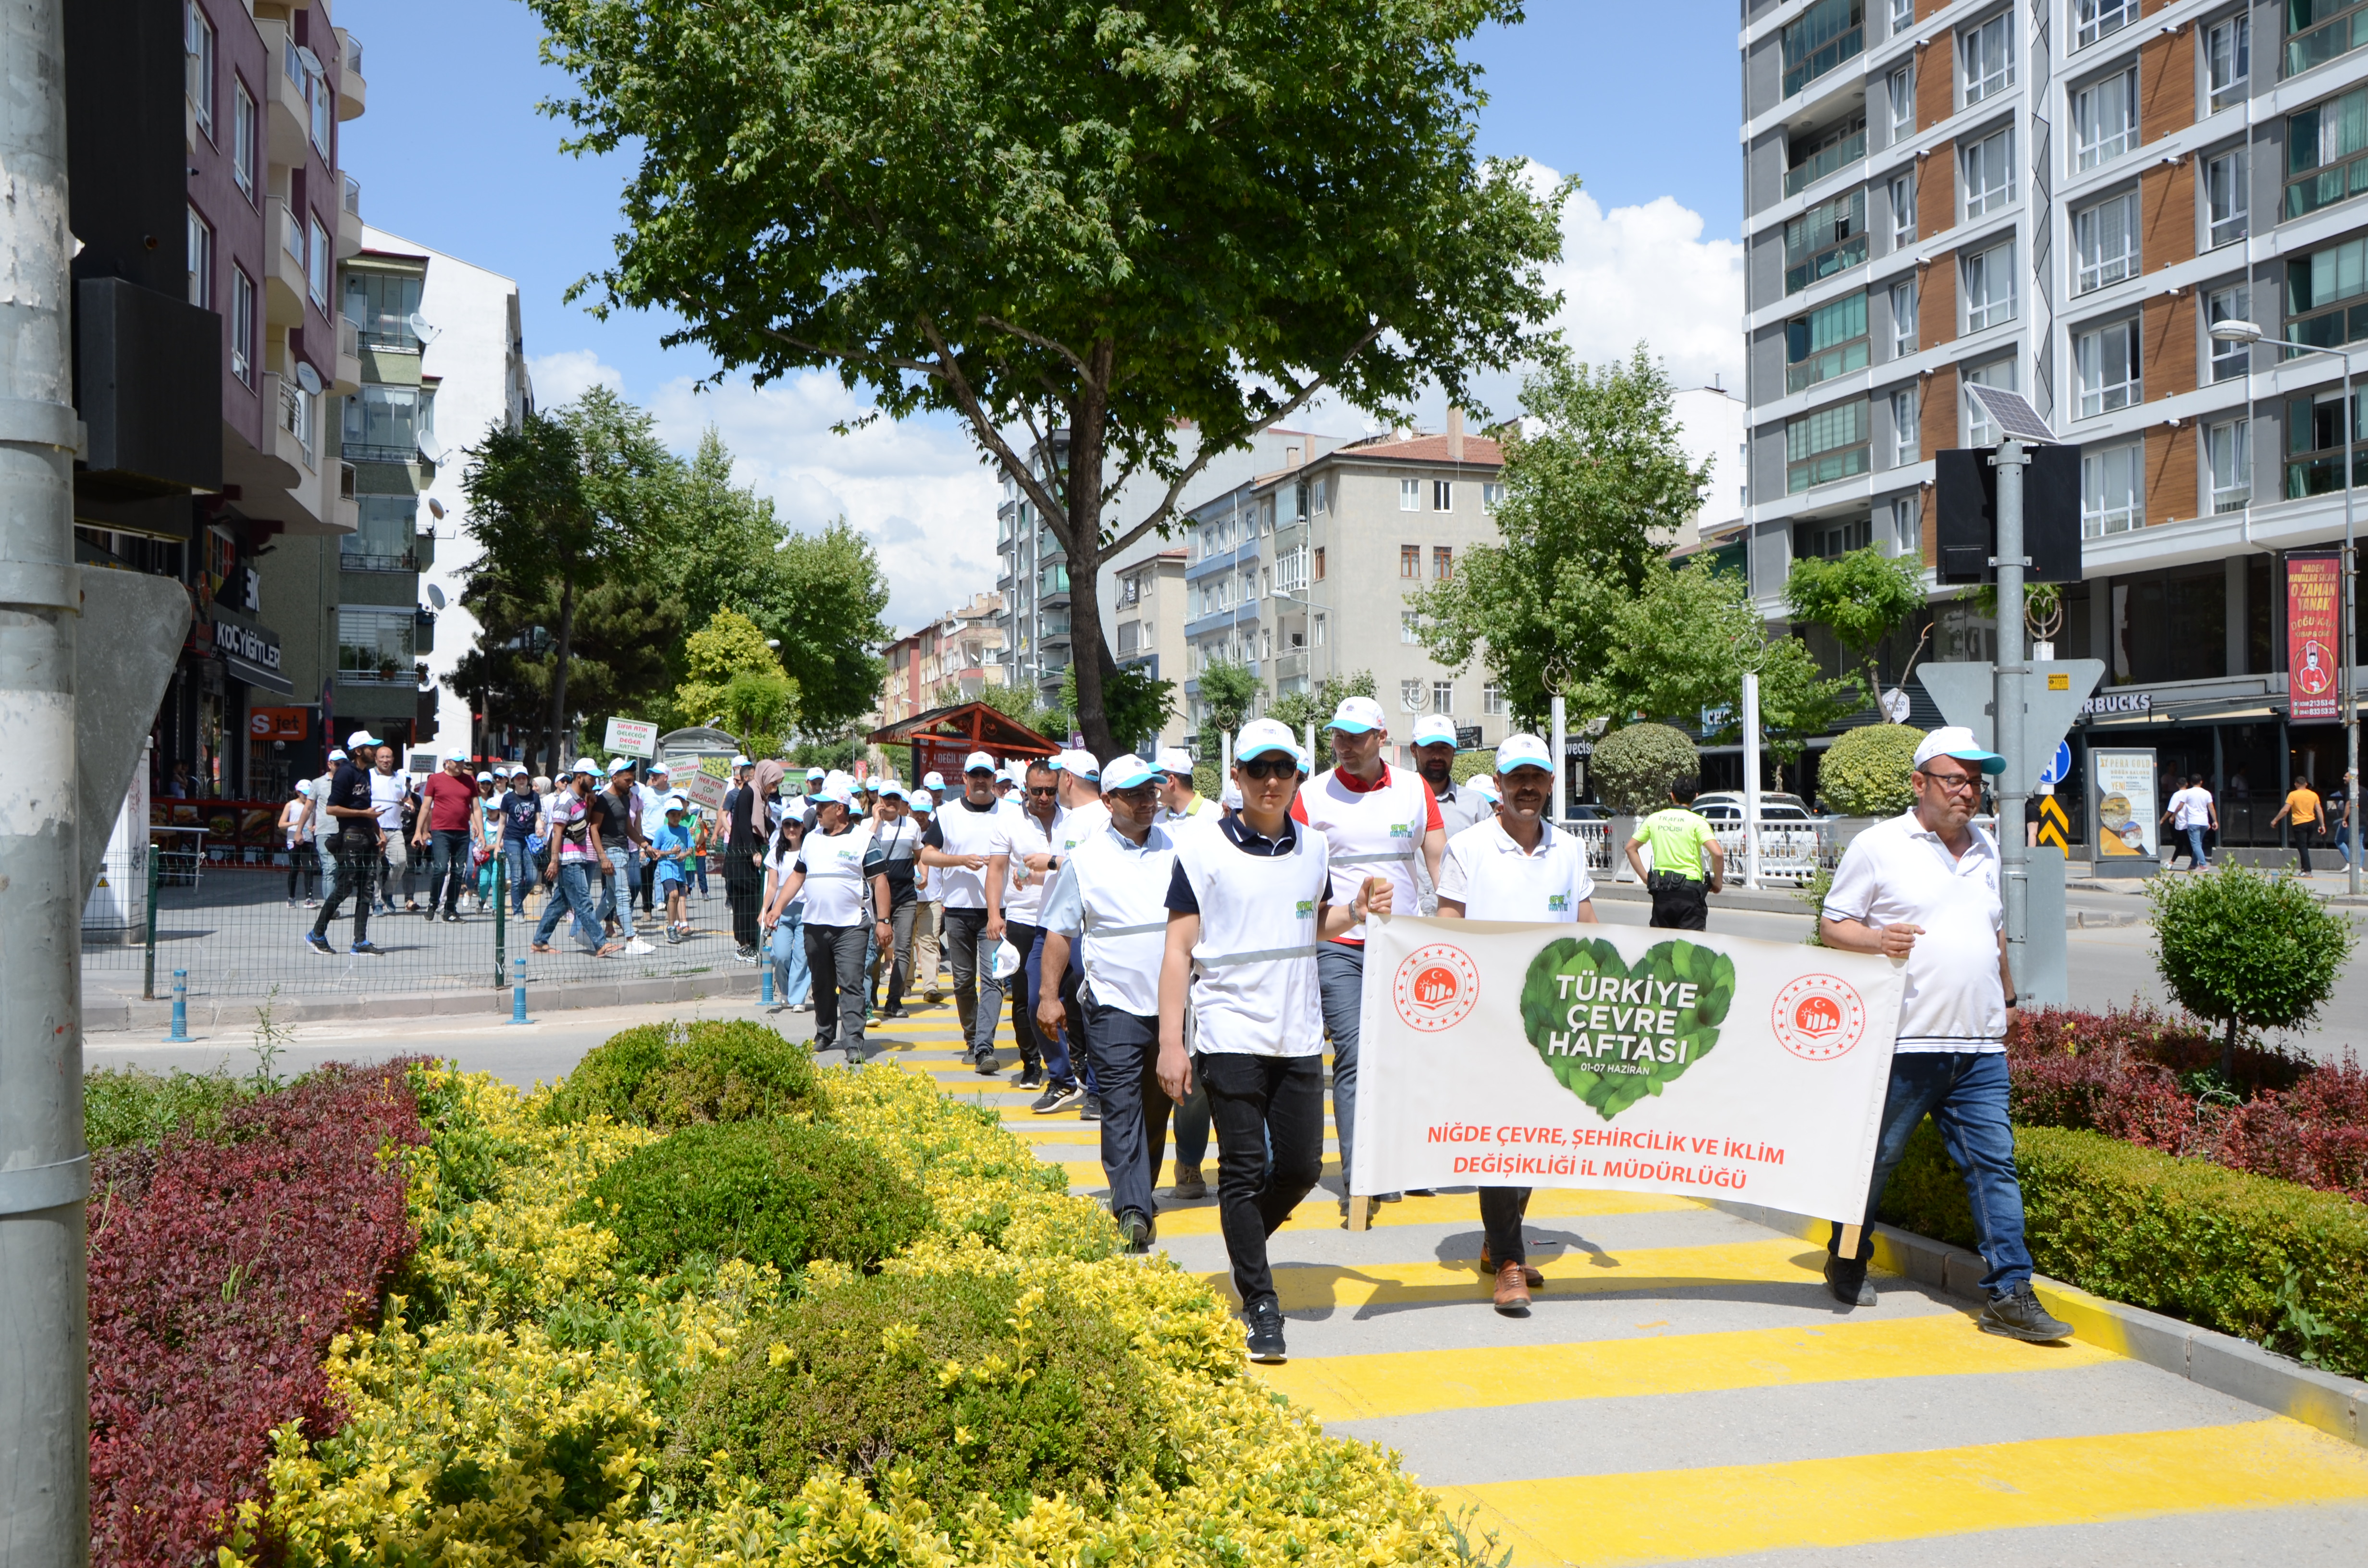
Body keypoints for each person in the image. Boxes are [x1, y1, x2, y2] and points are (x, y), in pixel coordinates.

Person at [1819, 726, 2072, 1343]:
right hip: (1903, 1042)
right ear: (1919, 784)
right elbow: (1832, 924)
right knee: (1874, 1163)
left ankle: (2010, 1293)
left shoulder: (1985, 849)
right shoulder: (1879, 846)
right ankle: (1846, 1256)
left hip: (1979, 1046)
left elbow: (1991, 935)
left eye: (1976, 782)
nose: (1968, 793)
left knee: (1994, 1167)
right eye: (1955, 780)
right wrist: (1876, 940)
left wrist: (2008, 1000)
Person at [1160, 718, 1391, 1363]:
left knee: (1300, 1167)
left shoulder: (1314, 849)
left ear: (1296, 777)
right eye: (1257, 769)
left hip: (1295, 1032)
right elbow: (1178, 950)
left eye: (1282, 770)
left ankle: (1245, 1245)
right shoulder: (1202, 849)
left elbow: (1314, 920)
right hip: (1229, 1028)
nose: (1270, 781)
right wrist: (1171, 1044)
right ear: (1235, 776)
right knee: (1244, 1168)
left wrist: (1359, 911)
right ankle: (1262, 1303)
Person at [1434, 734, 1597, 1315]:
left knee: (1530, 1141)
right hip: (1489, 1021)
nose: (1526, 787)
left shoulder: (1570, 850)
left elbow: (1586, 926)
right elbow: (1447, 930)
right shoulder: (1467, 848)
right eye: (1515, 778)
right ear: (1498, 785)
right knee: (1500, 1141)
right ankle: (1508, 1260)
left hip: (1552, 1021)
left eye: (1537, 777)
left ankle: (1498, 1239)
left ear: (1551, 784)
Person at [1292, 695, 1445, 1219]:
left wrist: (1452, 925)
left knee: (1404, 1060)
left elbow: (1439, 862)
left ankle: (1401, 1161)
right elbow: (1295, 872)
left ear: (1382, 739)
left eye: (1357, 737)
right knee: (1356, 1054)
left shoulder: (1413, 789)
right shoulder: (1311, 796)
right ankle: (1362, 1175)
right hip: (1341, 947)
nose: (1345, 746)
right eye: (1338, 736)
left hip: (1405, 948)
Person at [1040, 755, 1179, 1251]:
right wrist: (1048, 996)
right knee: (1122, 1108)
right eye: (1135, 794)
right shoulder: (1085, 860)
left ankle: (1139, 1187)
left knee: (1157, 1107)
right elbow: (1058, 932)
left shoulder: (1179, 849)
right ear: (1108, 801)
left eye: (1152, 792)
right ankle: (1133, 1209)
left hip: (1171, 1009)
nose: (1148, 802)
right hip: (1112, 1004)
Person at [773, 782, 893, 1062]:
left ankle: (853, 1041)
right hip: (815, 925)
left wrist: (884, 921)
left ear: (839, 809)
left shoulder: (863, 839)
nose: (817, 810)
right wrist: (777, 906)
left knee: (851, 982)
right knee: (822, 983)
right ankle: (825, 1032)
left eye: (823, 806)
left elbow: (880, 881)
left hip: (851, 925)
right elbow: (797, 876)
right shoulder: (812, 839)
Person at [917, 751, 1014, 1074]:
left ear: (994, 779)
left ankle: (985, 1047)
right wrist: (961, 860)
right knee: (962, 982)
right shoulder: (946, 815)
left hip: (995, 913)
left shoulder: (1010, 813)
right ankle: (972, 1038)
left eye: (987, 775)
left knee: (993, 980)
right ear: (965, 779)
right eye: (975, 775)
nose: (981, 781)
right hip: (957, 911)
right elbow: (928, 856)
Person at [1004, 760, 1072, 1106]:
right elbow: (998, 867)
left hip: (1076, 924)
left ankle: (1085, 1075)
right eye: (1037, 791)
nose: (1044, 797)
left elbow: (1080, 866)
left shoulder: (1074, 820)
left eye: (1050, 790)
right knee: (1032, 1000)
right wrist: (994, 913)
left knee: (1076, 1003)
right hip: (1029, 920)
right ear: (1025, 790)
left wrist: (1050, 863)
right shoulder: (1011, 820)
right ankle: (1046, 1068)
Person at [307, 731, 387, 955]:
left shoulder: (366, 774)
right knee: (344, 888)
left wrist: (380, 833)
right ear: (359, 751)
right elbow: (331, 808)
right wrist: (363, 813)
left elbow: (368, 808)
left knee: (366, 890)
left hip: (367, 836)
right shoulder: (345, 773)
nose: (375, 751)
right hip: (350, 836)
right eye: (371, 748)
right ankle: (317, 934)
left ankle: (360, 942)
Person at [536, 760, 623, 957]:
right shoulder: (566, 800)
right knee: (584, 902)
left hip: (579, 855)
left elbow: (583, 824)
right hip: (569, 858)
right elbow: (557, 833)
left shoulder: (581, 800)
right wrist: (554, 860)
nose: (594, 781)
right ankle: (601, 943)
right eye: (591, 778)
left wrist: (590, 806)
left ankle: (539, 940)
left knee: (561, 902)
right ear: (579, 777)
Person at [1626, 776, 1724, 930]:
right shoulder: (1697, 822)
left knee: (1661, 947)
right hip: (1689, 893)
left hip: (1662, 892)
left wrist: (1646, 878)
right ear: (1696, 797)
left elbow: (1630, 848)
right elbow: (1717, 854)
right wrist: (1718, 882)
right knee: (1689, 949)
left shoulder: (1655, 819)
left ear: (1672, 795)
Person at [865, 784, 924, 1018]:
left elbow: (920, 855)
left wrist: (924, 874)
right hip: (878, 900)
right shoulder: (868, 827)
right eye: (887, 798)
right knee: (875, 949)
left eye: (896, 798)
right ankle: (870, 995)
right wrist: (876, 822)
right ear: (879, 799)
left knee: (903, 949)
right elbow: (863, 848)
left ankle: (894, 1000)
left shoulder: (912, 825)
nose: (892, 802)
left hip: (906, 896)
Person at [1410, 714, 1493, 845]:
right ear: (1414, 751)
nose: (1437, 756)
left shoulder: (1477, 806)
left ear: (1454, 751)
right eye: (1429, 747)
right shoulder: (1397, 800)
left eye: (1444, 748)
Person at [415, 757, 481, 921]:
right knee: (441, 868)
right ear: (447, 763)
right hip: (441, 831)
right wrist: (419, 831)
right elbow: (425, 807)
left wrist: (480, 830)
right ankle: (433, 903)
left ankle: (450, 909)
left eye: (462, 763)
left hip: (462, 832)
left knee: (458, 871)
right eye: (456, 762)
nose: (459, 765)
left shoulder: (469, 781)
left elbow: (476, 807)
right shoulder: (436, 779)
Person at [759, 809, 813, 1009]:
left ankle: (798, 998)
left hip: (806, 909)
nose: (792, 829)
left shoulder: (809, 850)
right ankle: (787, 990)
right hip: (782, 910)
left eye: (796, 825)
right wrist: (765, 910)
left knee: (802, 954)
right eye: (787, 825)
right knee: (780, 955)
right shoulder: (775, 853)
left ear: (802, 827)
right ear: (782, 828)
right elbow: (772, 886)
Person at [721, 756, 765, 958]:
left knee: (749, 900)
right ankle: (746, 944)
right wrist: (754, 851)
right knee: (744, 903)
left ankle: (751, 943)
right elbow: (746, 826)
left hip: (741, 858)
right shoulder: (748, 794)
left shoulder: (754, 794)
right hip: (742, 860)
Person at [369, 747, 414, 914]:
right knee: (375, 868)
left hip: (395, 828)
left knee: (401, 862)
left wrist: (410, 805)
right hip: (374, 828)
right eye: (382, 757)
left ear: (393, 759)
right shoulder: (369, 776)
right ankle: (377, 903)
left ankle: (388, 893)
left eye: (389, 757)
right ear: (376, 759)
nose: (385, 760)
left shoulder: (399, 778)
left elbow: (407, 798)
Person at [909, 794, 944, 998]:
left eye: (924, 811)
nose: (920, 816)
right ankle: (906, 982)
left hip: (933, 897)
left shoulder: (938, 832)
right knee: (906, 943)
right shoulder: (904, 832)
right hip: (907, 898)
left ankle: (931, 987)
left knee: (930, 942)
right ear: (910, 809)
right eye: (916, 811)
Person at [495, 768, 543, 914]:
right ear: (513, 781)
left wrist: (540, 828)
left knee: (532, 877)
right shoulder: (508, 799)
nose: (521, 780)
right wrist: (497, 846)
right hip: (512, 839)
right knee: (516, 875)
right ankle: (517, 911)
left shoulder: (535, 797)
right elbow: (502, 823)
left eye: (524, 777)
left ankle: (517, 902)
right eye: (518, 778)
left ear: (528, 779)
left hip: (530, 840)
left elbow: (538, 819)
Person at [650, 794, 695, 941]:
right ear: (667, 815)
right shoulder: (662, 831)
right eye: (673, 815)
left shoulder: (685, 830)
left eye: (679, 814)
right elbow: (654, 852)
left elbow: (691, 849)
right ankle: (671, 927)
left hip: (680, 869)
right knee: (674, 895)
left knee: (678, 897)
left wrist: (684, 855)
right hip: (666, 866)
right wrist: (670, 852)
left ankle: (673, 925)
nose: (676, 818)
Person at [636, 762, 675, 916]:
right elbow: (637, 814)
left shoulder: (674, 793)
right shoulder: (645, 793)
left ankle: (668, 905)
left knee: (668, 873)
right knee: (647, 876)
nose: (653, 777)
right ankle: (647, 908)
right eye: (652, 774)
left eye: (657, 775)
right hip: (649, 838)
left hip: (668, 838)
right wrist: (641, 843)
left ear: (666, 777)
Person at [2161, 774, 2217, 871]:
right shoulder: (2207, 793)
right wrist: (2215, 821)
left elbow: (2179, 806)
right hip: (2204, 822)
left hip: (2193, 822)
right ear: (2201, 782)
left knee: (2196, 845)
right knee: (2197, 844)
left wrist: (2173, 816)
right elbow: (2211, 807)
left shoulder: (2188, 793)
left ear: (2190, 783)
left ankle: (2203, 865)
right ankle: (2193, 865)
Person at [1154, 747, 1221, 828]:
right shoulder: (1157, 821)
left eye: (1156, 778)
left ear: (1171, 780)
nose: (1153, 784)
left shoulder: (1216, 816)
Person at [2271, 774, 2324, 875]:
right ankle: (2304, 869)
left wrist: (2275, 820)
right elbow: (2319, 810)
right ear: (2306, 784)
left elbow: (2286, 810)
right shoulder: (2314, 795)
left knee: (2302, 847)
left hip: (2299, 823)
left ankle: (2308, 870)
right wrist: (2322, 825)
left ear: (2296, 784)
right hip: (2311, 822)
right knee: (2305, 846)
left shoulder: (2293, 795)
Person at [280, 780, 318, 907]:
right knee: (294, 869)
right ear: (298, 792)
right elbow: (281, 825)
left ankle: (309, 898)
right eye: (304, 794)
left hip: (308, 839)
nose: (306, 796)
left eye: (309, 793)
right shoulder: (290, 805)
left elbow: (316, 821)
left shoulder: (313, 805)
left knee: (309, 868)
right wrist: (295, 824)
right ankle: (291, 897)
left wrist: (315, 827)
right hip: (293, 840)